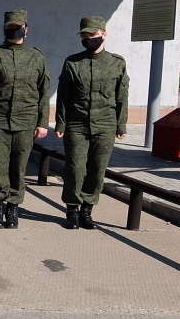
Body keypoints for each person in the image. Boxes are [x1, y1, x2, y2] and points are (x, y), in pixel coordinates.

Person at [0, 10, 51, 229]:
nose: (13, 30)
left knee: (19, 166)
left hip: (26, 120)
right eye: (9, 27)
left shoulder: (36, 56)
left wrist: (42, 122)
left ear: (26, 29)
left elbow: (43, 91)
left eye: (17, 26)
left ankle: (13, 206)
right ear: (4, 28)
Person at [55, 16, 129, 229]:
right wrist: (61, 123)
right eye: (85, 36)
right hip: (77, 124)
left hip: (105, 124)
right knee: (75, 168)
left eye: (92, 35)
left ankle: (87, 209)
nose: (88, 39)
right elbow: (63, 96)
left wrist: (121, 124)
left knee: (97, 169)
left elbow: (122, 95)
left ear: (104, 34)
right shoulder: (73, 62)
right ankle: (72, 208)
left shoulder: (117, 63)